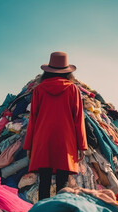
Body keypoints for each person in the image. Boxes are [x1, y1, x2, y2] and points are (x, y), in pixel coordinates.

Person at [23, 51, 88, 200]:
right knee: (62, 182)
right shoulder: (73, 90)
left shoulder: (39, 90)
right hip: (66, 140)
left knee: (44, 181)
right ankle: (59, 211)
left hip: (42, 139)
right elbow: (78, 119)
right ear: (67, 72)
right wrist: (82, 145)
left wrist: (29, 145)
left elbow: (33, 119)